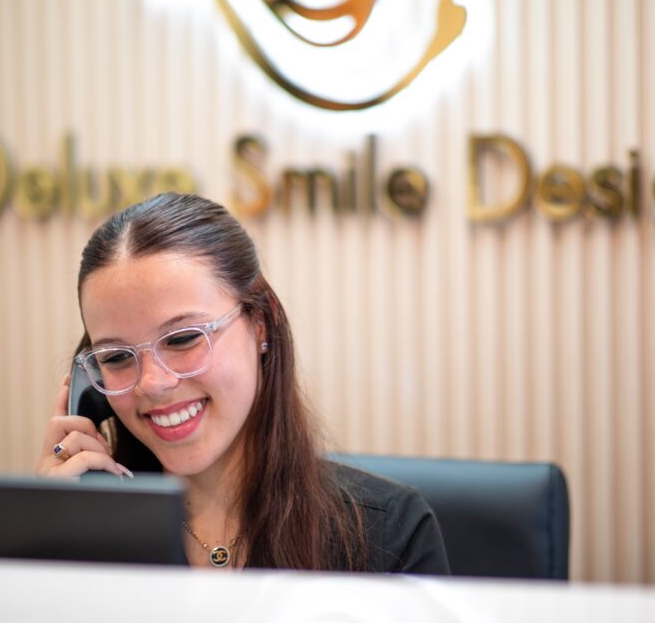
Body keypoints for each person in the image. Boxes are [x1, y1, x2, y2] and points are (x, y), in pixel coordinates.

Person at [36, 192, 449, 573]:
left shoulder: (389, 534)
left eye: (183, 338)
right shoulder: (88, 531)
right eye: (116, 357)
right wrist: (48, 538)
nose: (153, 383)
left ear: (260, 323)